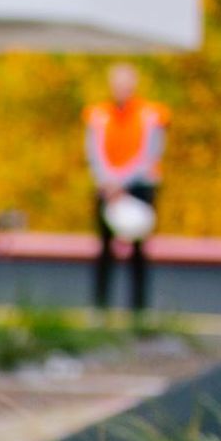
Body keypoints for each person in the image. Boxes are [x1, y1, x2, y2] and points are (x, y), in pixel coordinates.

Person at [84, 63, 169, 314]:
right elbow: (94, 151)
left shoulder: (150, 114)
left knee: (139, 249)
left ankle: (138, 309)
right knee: (104, 248)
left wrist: (122, 182)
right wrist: (108, 182)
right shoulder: (99, 114)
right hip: (107, 186)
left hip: (139, 185)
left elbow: (149, 152)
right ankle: (100, 307)